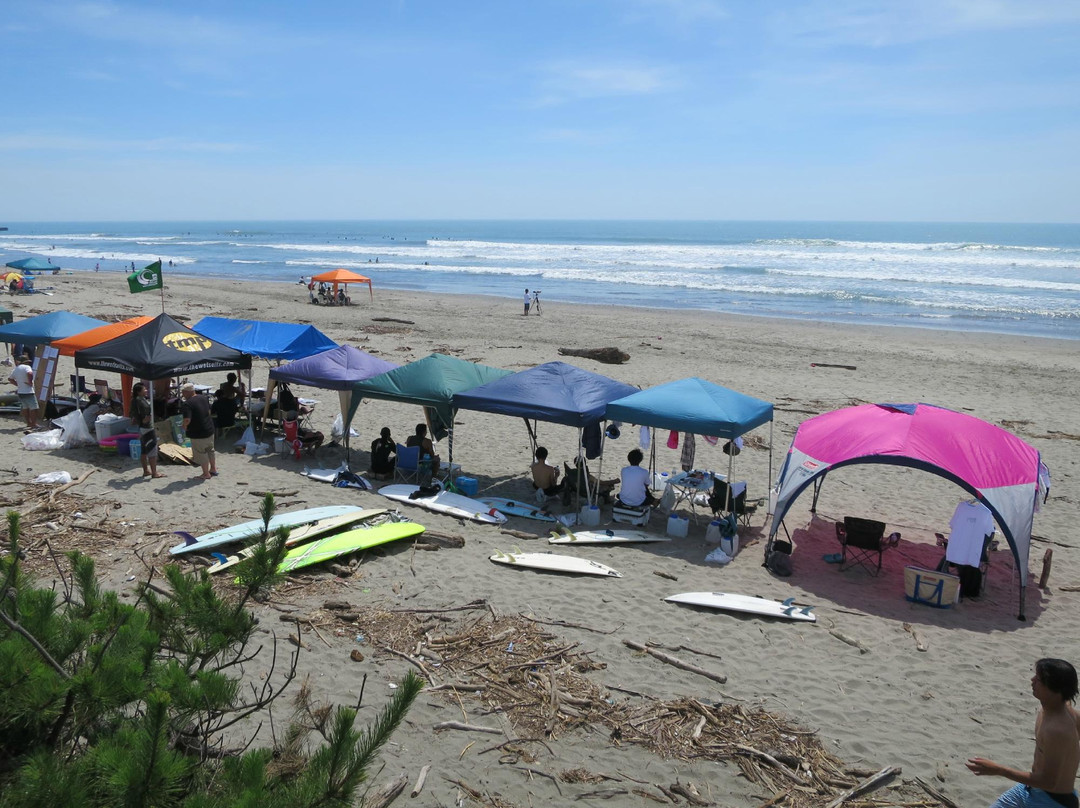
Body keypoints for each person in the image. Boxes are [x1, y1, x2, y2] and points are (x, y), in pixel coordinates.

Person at [967, 658, 1079, 808]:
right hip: (1028, 789)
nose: (1032, 681)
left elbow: (1049, 782)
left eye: (1038, 679)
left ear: (1055, 690)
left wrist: (999, 770)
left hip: (1051, 802)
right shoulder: (1063, 710)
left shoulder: (1057, 730)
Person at [180, 382, 217, 480]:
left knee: (201, 453)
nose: (182, 394)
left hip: (198, 432)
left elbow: (187, 419)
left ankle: (206, 474)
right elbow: (208, 411)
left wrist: (184, 426)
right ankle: (213, 469)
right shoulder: (203, 398)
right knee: (210, 450)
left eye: (183, 392)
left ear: (187, 392)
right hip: (209, 428)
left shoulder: (187, 404)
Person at [129, 383, 163, 478]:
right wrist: (144, 420)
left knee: (144, 450)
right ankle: (154, 473)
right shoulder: (140, 402)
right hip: (147, 428)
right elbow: (143, 415)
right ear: (139, 391)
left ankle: (146, 471)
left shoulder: (135, 401)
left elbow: (132, 414)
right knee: (152, 450)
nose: (146, 390)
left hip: (141, 428)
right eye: (144, 389)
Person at [7, 355, 39, 431]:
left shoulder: (16, 369)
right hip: (28, 391)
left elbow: (10, 379)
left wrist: (18, 384)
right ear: (26, 362)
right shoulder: (27, 367)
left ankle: (28, 422)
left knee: (25, 408)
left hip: (21, 391)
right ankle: (34, 424)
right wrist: (30, 382)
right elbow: (30, 373)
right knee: (33, 408)